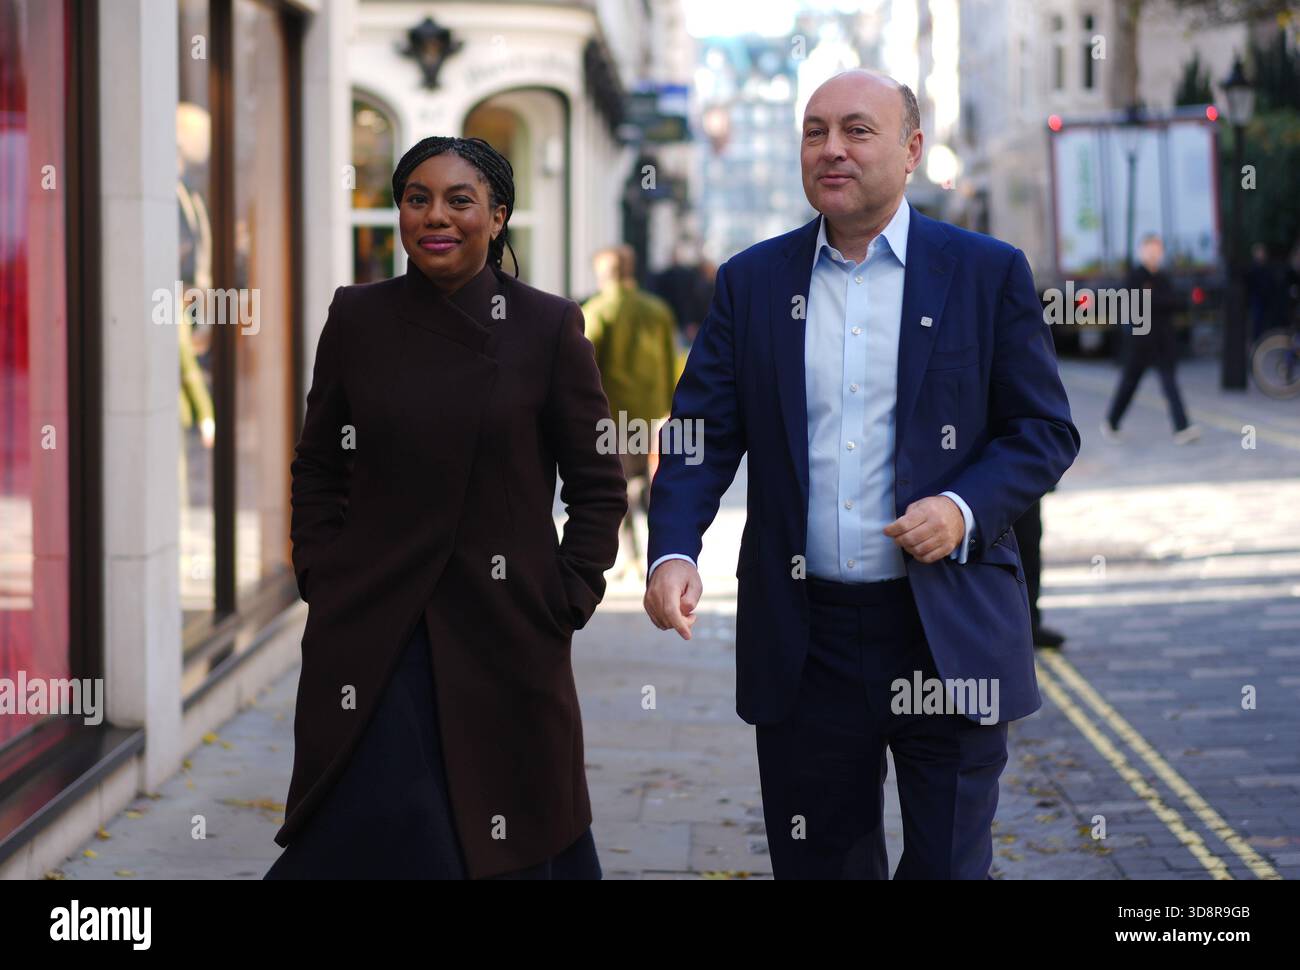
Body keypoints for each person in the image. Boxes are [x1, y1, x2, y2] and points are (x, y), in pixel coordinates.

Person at [643, 69, 1080, 879]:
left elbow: (1043, 430)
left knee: (950, 867)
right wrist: (672, 550)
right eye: (815, 132)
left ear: (912, 150)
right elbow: (701, 435)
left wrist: (962, 506)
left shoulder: (986, 272)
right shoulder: (753, 281)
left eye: (856, 130)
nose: (831, 149)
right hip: (809, 642)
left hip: (946, 634)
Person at [265, 136, 627, 880]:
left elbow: (597, 482)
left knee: (507, 830)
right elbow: (319, 462)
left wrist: (567, 595)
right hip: (373, 624)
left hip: (505, 629)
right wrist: (323, 574)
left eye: (460, 200)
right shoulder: (358, 317)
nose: (436, 216)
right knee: (380, 828)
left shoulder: (548, 327)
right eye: (416, 198)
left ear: (497, 217)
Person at [582, 245, 679, 581]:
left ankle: (632, 556)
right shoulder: (658, 310)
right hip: (654, 413)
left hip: (614, 416)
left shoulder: (597, 311)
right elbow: (672, 360)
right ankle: (662, 553)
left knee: (619, 489)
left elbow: (584, 365)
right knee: (653, 487)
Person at [1101, 233, 1200, 444]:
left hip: (1163, 342)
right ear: (1142, 251)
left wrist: (1153, 299)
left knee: (1170, 384)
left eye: (1158, 250)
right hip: (1140, 343)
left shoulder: (1163, 278)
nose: (1154, 255)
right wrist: (1157, 300)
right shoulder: (1135, 276)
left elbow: (1171, 302)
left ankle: (1181, 428)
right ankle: (1111, 422)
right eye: (1150, 250)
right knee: (1129, 384)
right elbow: (1134, 302)